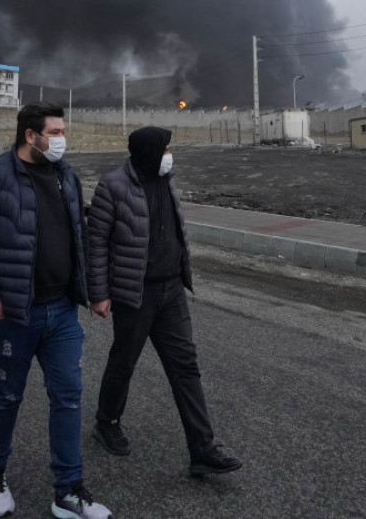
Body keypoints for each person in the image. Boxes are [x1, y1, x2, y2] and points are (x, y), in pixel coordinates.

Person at [0, 102, 111, 519]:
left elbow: (79, 236)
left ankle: (69, 491)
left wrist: (93, 291)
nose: (62, 139)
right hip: (14, 313)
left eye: (62, 131)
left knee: (68, 397)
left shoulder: (66, 175)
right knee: (7, 395)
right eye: (55, 132)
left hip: (62, 311)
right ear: (31, 135)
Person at [87, 126, 242, 477]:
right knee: (124, 362)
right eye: (167, 148)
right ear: (150, 152)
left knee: (185, 366)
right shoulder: (112, 186)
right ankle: (106, 422)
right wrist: (98, 293)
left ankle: (202, 448)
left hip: (171, 290)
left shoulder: (166, 178)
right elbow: (95, 243)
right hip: (134, 293)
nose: (171, 154)